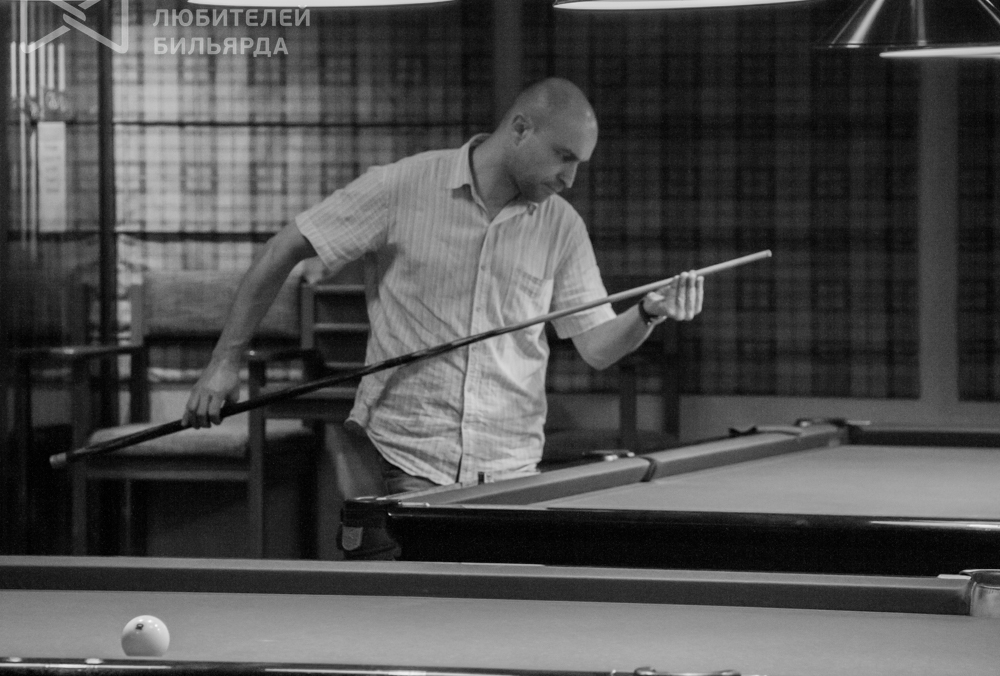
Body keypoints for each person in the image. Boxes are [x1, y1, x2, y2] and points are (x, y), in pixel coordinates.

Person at [183, 77, 704, 554]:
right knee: (407, 617)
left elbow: (596, 347)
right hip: (405, 458)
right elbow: (283, 249)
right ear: (521, 129)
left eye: (578, 164)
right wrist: (224, 363)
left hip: (512, 469)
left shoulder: (561, 225)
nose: (569, 178)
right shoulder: (401, 187)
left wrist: (648, 313)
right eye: (563, 157)